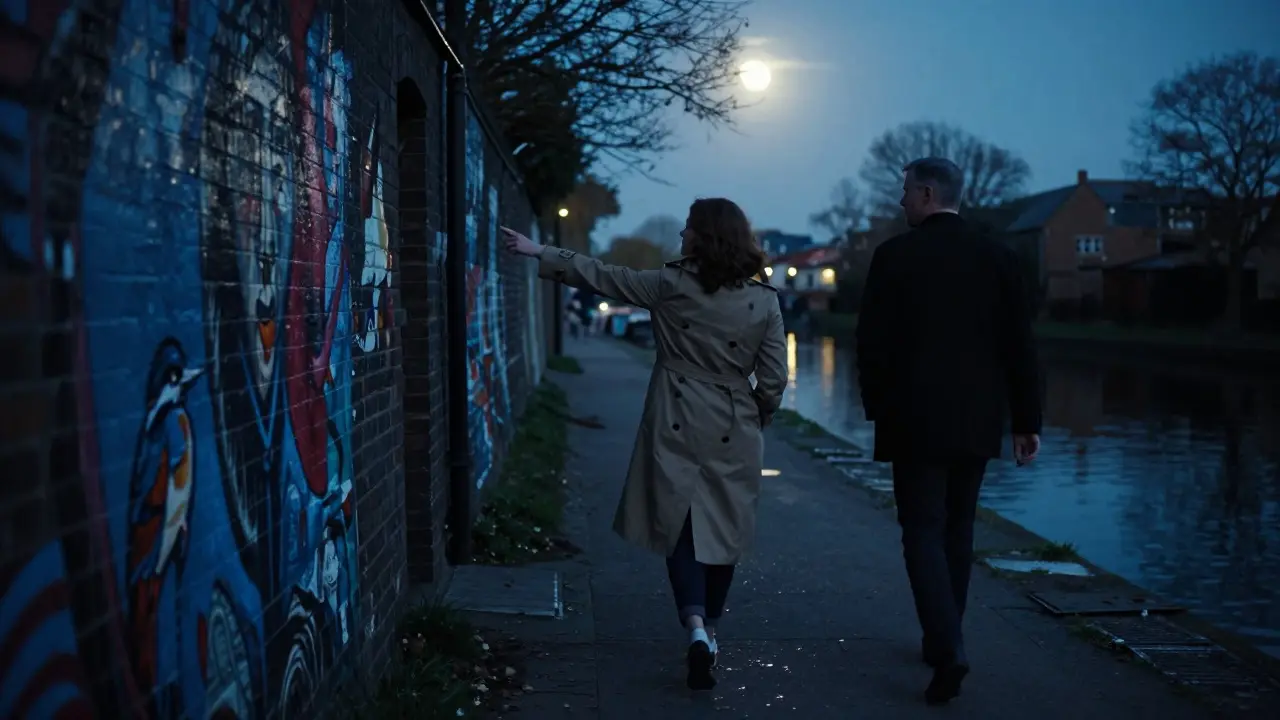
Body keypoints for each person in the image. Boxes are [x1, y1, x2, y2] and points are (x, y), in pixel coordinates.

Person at [501, 198, 788, 691]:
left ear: (702, 236)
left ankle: (695, 627)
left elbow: (602, 276)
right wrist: (756, 411)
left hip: (674, 414)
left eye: (688, 228)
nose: (681, 234)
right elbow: (775, 379)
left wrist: (539, 250)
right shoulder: (764, 301)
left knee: (678, 526)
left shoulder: (670, 285)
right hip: (734, 425)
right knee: (724, 531)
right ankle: (712, 633)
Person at [856, 157, 1042, 705]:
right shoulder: (1000, 258)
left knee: (921, 530)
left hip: (913, 419)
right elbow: (1021, 348)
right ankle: (946, 638)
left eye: (906, 191)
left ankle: (948, 645)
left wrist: (877, 408)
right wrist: (1026, 420)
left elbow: (871, 345)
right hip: (978, 419)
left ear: (928, 193)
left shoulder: (894, 257)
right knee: (958, 530)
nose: (900, 200)